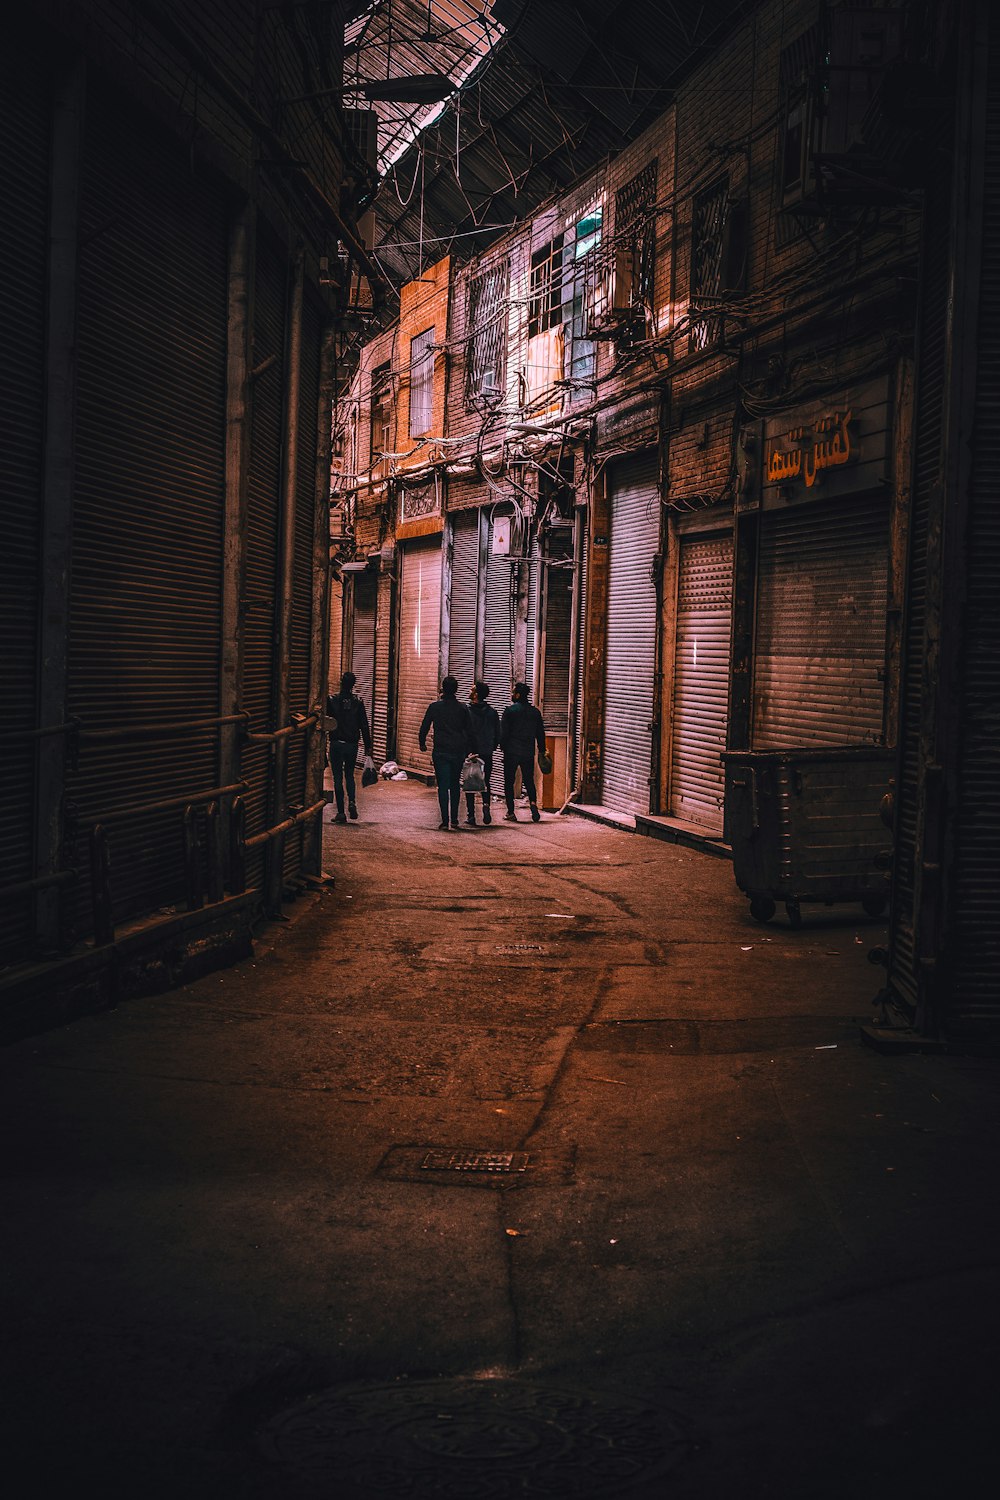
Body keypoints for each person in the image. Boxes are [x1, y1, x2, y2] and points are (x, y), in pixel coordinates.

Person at [418, 675, 476, 830]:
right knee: (455, 784)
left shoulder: (435, 707)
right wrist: (471, 750)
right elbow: (470, 731)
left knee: (442, 785)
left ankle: (445, 820)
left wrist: (422, 743)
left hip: (441, 751)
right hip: (458, 751)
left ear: (443, 689)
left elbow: (424, 727)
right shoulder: (463, 708)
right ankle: (455, 819)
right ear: (456, 690)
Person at [326, 671, 373, 825]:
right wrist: (368, 746)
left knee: (337, 778)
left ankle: (340, 812)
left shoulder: (331, 700)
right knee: (350, 775)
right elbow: (364, 725)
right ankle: (352, 801)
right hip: (352, 745)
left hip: (336, 744)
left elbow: (326, 722)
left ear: (341, 683)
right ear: (353, 685)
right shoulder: (358, 702)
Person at [499, 680, 546, 823]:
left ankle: (511, 812)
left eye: (513, 692)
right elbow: (540, 733)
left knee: (509, 782)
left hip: (511, 752)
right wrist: (542, 750)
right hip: (527, 751)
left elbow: (503, 733)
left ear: (518, 695)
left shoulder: (510, 711)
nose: (512, 694)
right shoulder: (535, 712)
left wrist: (502, 747)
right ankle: (533, 805)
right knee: (529, 780)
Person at [465, 680, 501, 826]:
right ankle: (486, 806)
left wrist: (466, 750)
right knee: (486, 781)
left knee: (470, 782)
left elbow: (464, 732)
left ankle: (471, 815)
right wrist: (492, 747)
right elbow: (498, 732)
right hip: (487, 751)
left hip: (471, 752)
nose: (469, 690)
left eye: (472, 689)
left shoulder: (467, 712)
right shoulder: (492, 712)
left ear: (476, 695)